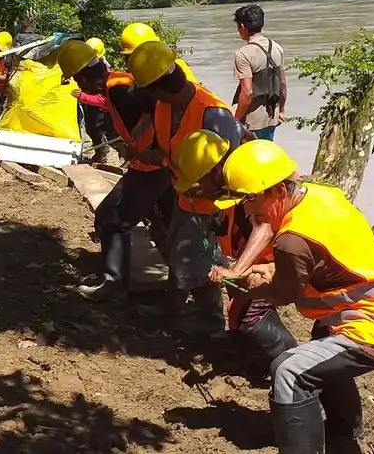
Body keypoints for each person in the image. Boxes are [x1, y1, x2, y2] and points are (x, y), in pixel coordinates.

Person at [220, 139, 374, 454]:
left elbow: (283, 294)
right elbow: (322, 261)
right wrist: (268, 269)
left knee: (289, 371)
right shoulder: (325, 196)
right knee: (322, 339)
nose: (245, 208)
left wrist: (254, 286)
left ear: (278, 191)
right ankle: (343, 431)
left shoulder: (292, 241)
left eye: (250, 198)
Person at [127, 40, 249, 336]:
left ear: (157, 88)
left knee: (204, 262)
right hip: (185, 194)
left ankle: (210, 324)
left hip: (212, 205)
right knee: (179, 250)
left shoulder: (214, 115)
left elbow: (230, 172)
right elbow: (173, 148)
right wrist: (154, 156)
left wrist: (204, 193)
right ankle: (174, 307)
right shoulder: (165, 105)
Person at [170, 130, 297, 371]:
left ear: (214, 171)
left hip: (276, 256)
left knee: (253, 315)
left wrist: (236, 270)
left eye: (199, 180)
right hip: (260, 257)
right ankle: (252, 355)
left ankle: (292, 364)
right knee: (239, 310)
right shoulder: (225, 184)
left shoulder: (244, 181)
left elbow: (264, 226)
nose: (197, 187)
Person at [54, 40, 171, 301]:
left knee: (111, 218)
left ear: (83, 76)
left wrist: (150, 148)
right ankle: (178, 288)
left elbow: (159, 108)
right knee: (168, 222)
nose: (76, 84)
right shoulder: (117, 84)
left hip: (152, 167)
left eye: (75, 79)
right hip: (158, 165)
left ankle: (114, 283)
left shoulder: (119, 90)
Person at [232, 4, 286, 141]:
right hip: (272, 117)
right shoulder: (277, 48)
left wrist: (235, 120)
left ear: (243, 27)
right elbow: (283, 84)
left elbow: (247, 92)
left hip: (251, 121)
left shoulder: (243, 54)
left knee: (247, 159)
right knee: (266, 156)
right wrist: (282, 110)